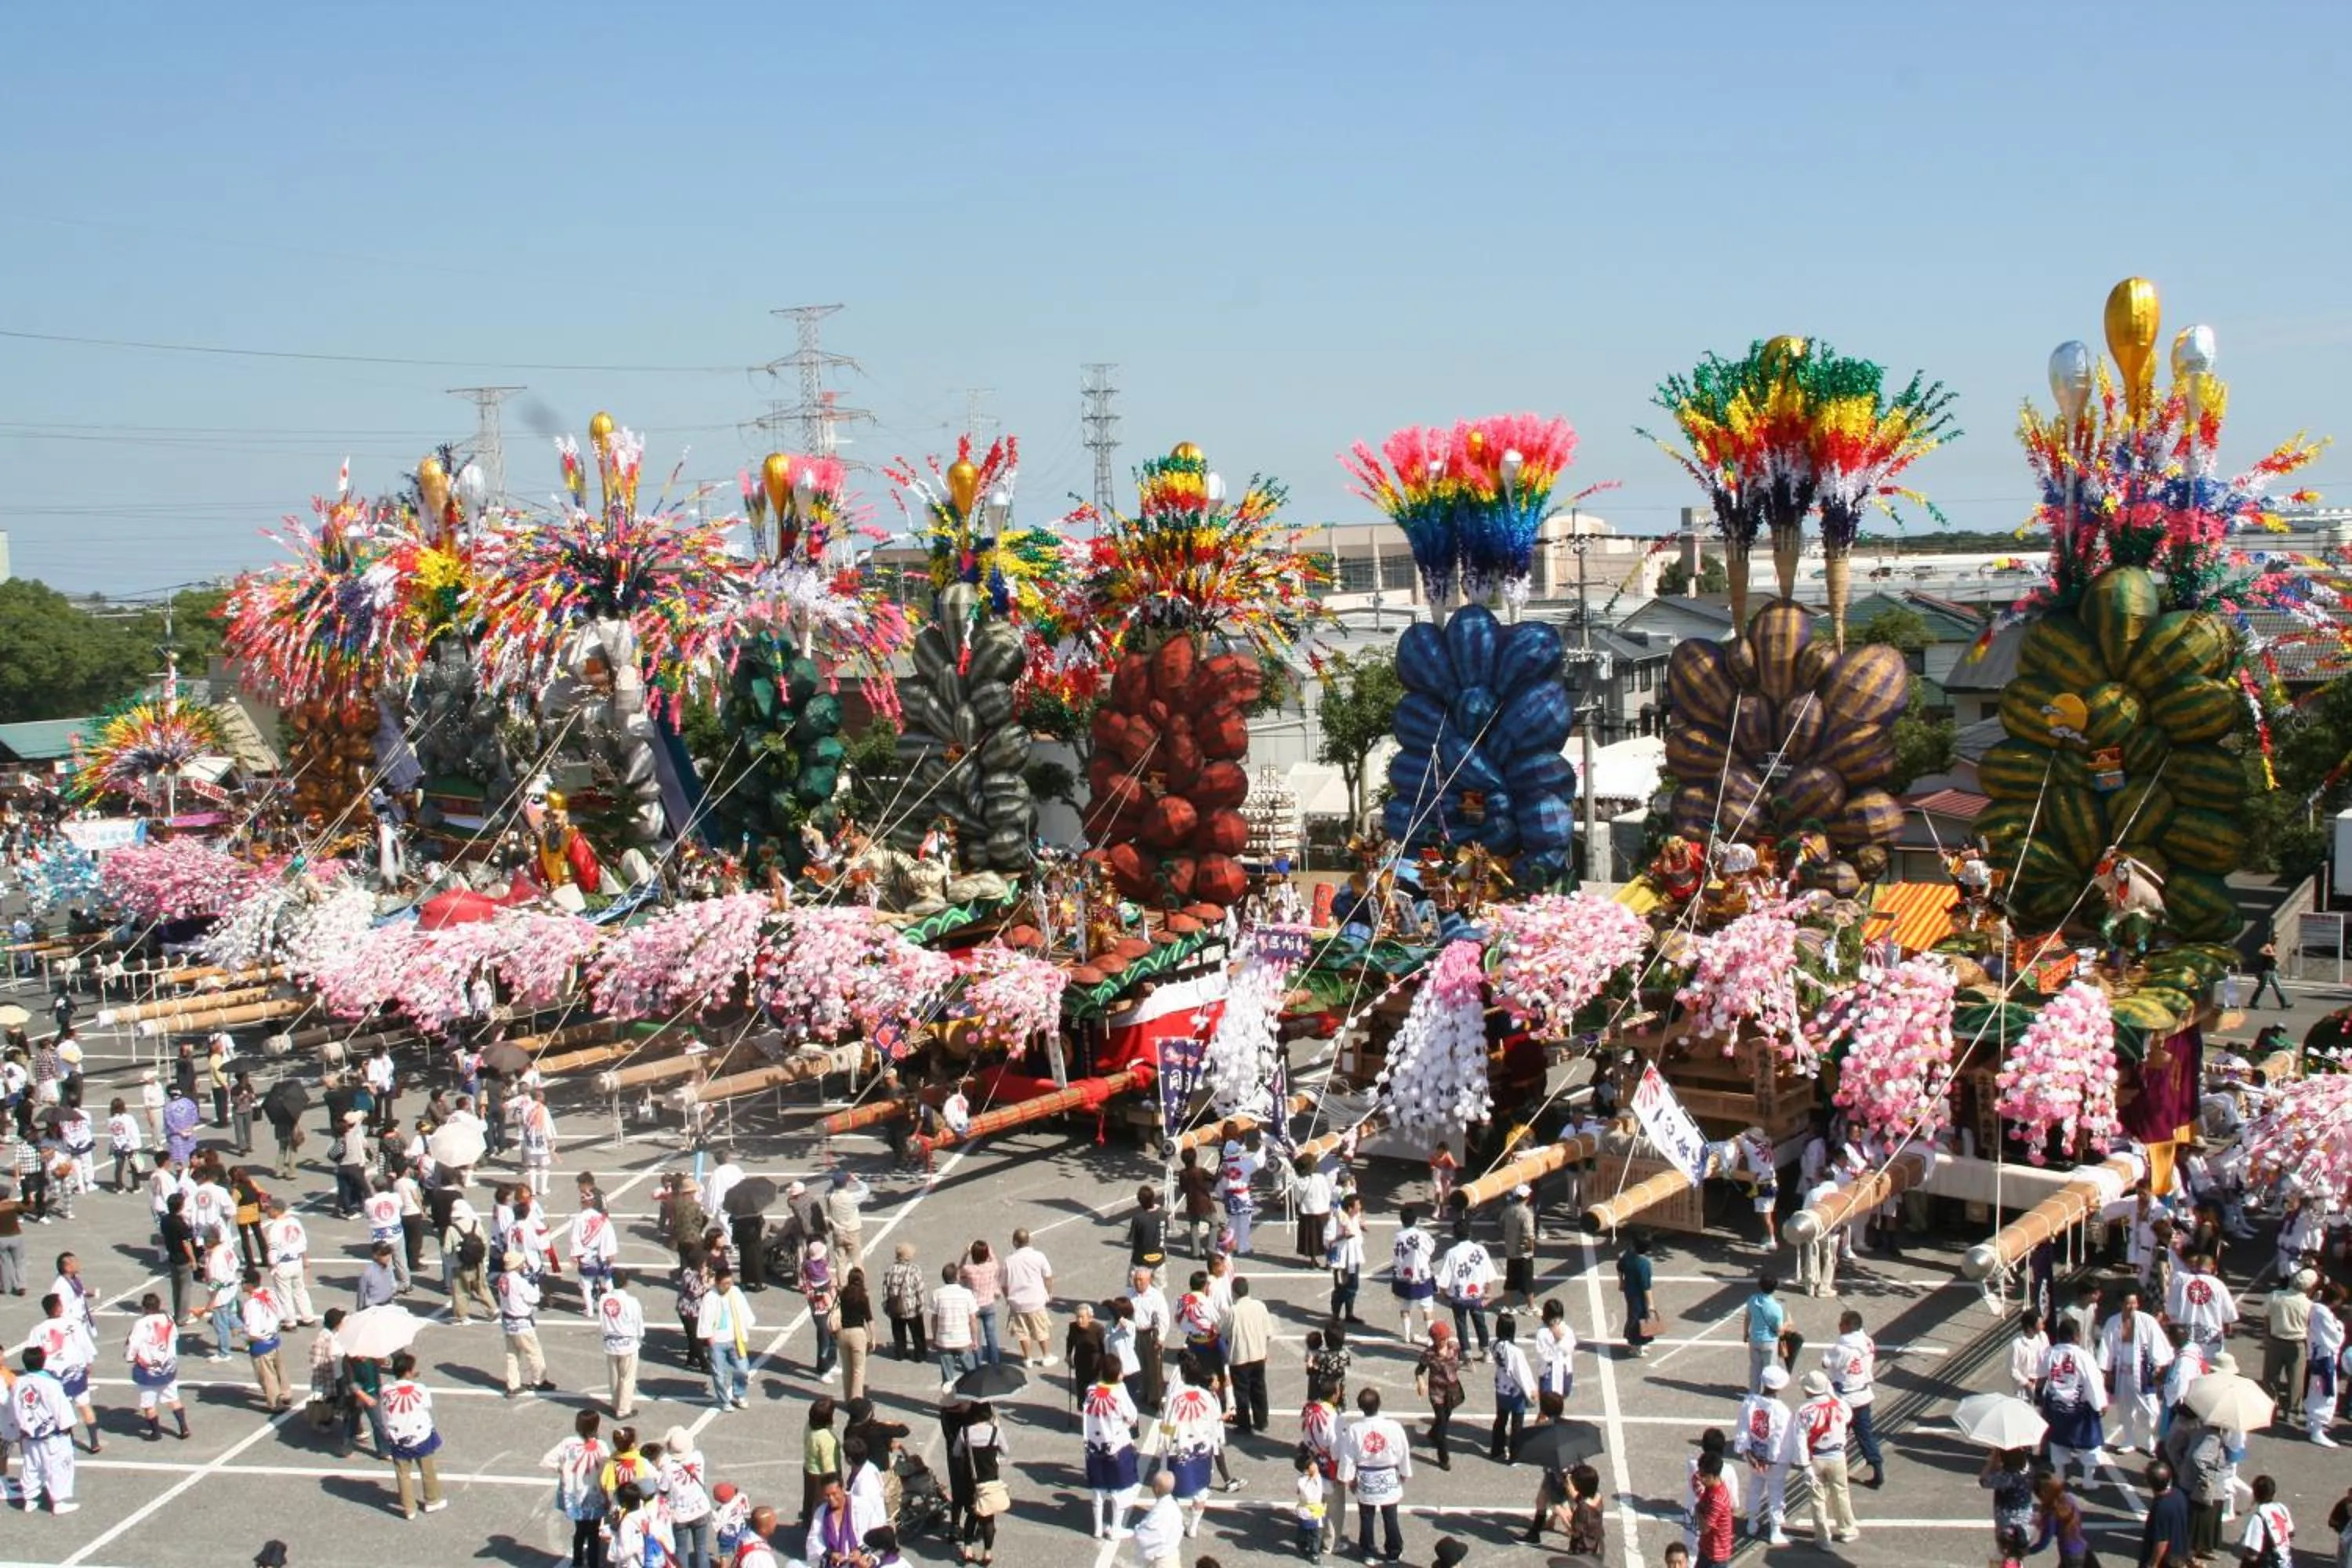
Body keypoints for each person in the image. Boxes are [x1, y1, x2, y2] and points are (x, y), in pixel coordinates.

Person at [2100, 1283, 2175, 1457]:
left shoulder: (2147, 1321)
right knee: (2125, 1409)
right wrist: (2107, 1372)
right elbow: (2106, 1348)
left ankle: (2150, 1441)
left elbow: (2157, 1344)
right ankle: (2128, 1440)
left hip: (2143, 1371)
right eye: (2128, 1303)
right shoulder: (2113, 1322)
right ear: (2121, 1304)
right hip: (2122, 1371)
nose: (2132, 1306)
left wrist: (2158, 1366)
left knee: (2152, 1409)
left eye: (2134, 1303)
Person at [1339, 1385, 1410, 1563]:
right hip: (1388, 1475)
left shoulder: (1355, 1429)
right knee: (1390, 1515)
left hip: (1366, 1476)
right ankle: (1394, 1551)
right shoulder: (1393, 1426)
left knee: (1367, 1516)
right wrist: (1404, 1471)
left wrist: (1348, 1478)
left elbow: (1348, 1456)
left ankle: (1368, 1551)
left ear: (1360, 1406)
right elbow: (1403, 1451)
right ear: (1379, 1404)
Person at [2040, 1319, 2110, 1487]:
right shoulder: (2083, 1356)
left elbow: (2042, 1376)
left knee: (2057, 1441)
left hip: (2057, 1406)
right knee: (2089, 1443)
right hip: (2081, 1408)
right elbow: (2093, 1381)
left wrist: (2043, 1401)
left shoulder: (2050, 1353)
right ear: (2076, 1336)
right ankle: (2088, 1480)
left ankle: (2059, 1475)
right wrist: (2100, 1403)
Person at [379, 1350, 448, 1519]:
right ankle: (432, 1500)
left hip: (398, 1436)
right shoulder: (421, 1389)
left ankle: (409, 1508)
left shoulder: (386, 1390)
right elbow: (427, 1405)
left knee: (403, 1473)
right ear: (409, 1371)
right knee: (427, 1468)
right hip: (420, 1435)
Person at [1794, 1369, 1858, 1544]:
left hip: (1815, 1458)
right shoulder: (1839, 1406)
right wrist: (1832, 1393)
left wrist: (1805, 1465)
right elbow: (1849, 1415)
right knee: (1841, 1493)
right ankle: (1848, 1530)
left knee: (1817, 1499)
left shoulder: (1804, 1410)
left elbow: (1799, 1439)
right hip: (1837, 1455)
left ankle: (1823, 1538)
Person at [13, 1345, 78, 1514]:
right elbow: (60, 1409)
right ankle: (58, 1502)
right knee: (58, 1467)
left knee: (31, 1466)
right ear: (43, 1361)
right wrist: (67, 1428)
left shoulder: (18, 1382)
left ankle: (30, 1498)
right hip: (51, 1435)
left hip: (28, 1433)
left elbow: (17, 1408)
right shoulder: (50, 1384)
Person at [544, 1410, 611, 1568]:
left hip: (574, 1495)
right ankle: (593, 1564)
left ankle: (577, 1561)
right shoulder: (601, 1446)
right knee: (594, 1532)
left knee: (580, 1530)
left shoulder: (568, 1443)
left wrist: (562, 1470)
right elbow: (607, 1469)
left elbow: (548, 1460)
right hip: (594, 1495)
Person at [1825, 1308, 1885, 1487]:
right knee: (1865, 1434)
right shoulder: (1868, 1342)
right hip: (1864, 1395)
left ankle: (1835, 1471)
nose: (1838, 1326)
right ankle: (1876, 1466)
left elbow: (1826, 1362)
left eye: (1841, 1323)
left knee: (1837, 1436)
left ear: (1846, 1326)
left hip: (1844, 1399)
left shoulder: (1841, 1348)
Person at [1737, 1363, 1795, 1544]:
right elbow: (1779, 1438)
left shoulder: (1750, 1402)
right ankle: (1775, 1529)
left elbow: (1743, 1429)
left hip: (1754, 1454)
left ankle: (1752, 1522)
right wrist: (1771, 1459)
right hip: (1773, 1461)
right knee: (1776, 1492)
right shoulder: (1781, 1410)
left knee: (1755, 1488)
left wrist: (1748, 1454)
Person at [1083, 1360, 1142, 1539]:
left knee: (1098, 1488)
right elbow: (1132, 1416)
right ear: (1118, 1375)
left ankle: (1098, 1528)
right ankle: (1116, 1528)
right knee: (1120, 1488)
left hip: (1093, 1445)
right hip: (1117, 1445)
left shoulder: (1091, 1390)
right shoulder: (1120, 1391)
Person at [125, 1292, 191, 1441]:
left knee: (148, 1403)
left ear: (144, 1307)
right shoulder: (168, 1319)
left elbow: (134, 1344)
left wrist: (129, 1358)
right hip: (167, 1366)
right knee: (173, 1398)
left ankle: (156, 1432)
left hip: (148, 1369)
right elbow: (174, 1337)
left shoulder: (141, 1323)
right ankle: (183, 1427)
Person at [953, 1400, 1010, 1563]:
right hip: (990, 1479)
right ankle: (987, 1553)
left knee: (972, 1514)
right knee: (988, 1518)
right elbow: (1006, 1451)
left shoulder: (965, 1432)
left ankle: (968, 1550)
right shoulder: (995, 1431)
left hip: (971, 1480)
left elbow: (956, 1452)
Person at [698, 1261, 754, 1410]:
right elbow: (705, 1318)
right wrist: (709, 1337)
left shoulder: (735, 1293)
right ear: (717, 1283)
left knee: (743, 1369)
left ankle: (739, 1394)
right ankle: (724, 1401)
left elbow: (744, 1311)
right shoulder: (710, 1297)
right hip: (717, 1342)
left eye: (730, 1282)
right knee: (719, 1374)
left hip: (735, 1339)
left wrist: (746, 1328)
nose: (728, 1286)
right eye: (725, 1284)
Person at [495, 1254, 554, 1397]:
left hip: (508, 1321)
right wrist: (534, 1285)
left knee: (512, 1354)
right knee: (534, 1352)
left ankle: (513, 1384)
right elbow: (533, 1298)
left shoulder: (503, 1279)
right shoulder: (518, 1282)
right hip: (521, 1322)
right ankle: (538, 1380)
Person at [1224, 1277, 1274, 1436]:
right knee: (1259, 1388)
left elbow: (1224, 1332)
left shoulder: (1233, 1311)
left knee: (1242, 1392)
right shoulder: (1260, 1306)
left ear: (1234, 1292)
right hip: (1258, 1354)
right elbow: (1268, 1332)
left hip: (1240, 1357)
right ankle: (1262, 1420)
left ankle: (1244, 1424)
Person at [660, 1425, 716, 1568]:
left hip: (679, 1514)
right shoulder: (698, 1458)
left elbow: (663, 1488)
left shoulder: (668, 1467)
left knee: (681, 1549)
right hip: (700, 1509)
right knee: (701, 1549)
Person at [2263, 1269, 2314, 1425]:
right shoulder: (2309, 1305)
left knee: (2271, 1378)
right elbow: (2310, 1326)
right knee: (2296, 1381)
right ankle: (2292, 1412)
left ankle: (2269, 1408)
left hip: (2275, 1340)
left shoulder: (2275, 1296)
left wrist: (2267, 1336)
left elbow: (2266, 1317)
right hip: (2297, 1344)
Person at [1412, 1319, 1464, 1471]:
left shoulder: (1454, 1349)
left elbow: (1460, 1362)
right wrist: (1421, 1382)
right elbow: (1419, 1370)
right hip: (1437, 1393)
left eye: (1445, 1338)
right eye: (1440, 1339)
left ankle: (1433, 1433)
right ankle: (1443, 1458)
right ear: (1434, 1340)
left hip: (1452, 1391)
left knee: (1445, 1417)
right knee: (1443, 1425)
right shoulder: (1429, 1354)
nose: (1444, 1341)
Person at [238, 1267, 292, 1410]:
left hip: (261, 1344)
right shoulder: (269, 1293)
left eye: (243, 1282)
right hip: (274, 1338)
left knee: (267, 1376)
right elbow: (282, 1314)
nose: (241, 1285)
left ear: (249, 1285)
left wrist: (240, 1333)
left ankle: (275, 1403)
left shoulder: (251, 1305)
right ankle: (285, 1393)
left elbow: (253, 1332)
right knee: (280, 1369)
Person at [1436, 1218, 1494, 1353]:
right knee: (1480, 1322)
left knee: (1461, 1324)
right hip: (1477, 1295)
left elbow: (1444, 1278)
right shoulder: (1480, 1250)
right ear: (1470, 1233)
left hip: (1458, 1297)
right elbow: (1489, 1274)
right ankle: (1486, 1350)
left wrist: (1443, 1294)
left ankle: (1466, 1352)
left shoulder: (1452, 1253)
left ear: (1454, 1234)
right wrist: (1488, 1292)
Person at [1004, 1228, 1058, 1369]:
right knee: (1041, 1329)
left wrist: (1008, 1298)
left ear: (1015, 1242)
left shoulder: (1009, 1261)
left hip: (1017, 1302)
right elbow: (1048, 1276)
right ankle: (1046, 1356)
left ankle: (1028, 1358)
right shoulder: (1039, 1256)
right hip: (1036, 1300)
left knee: (1022, 1333)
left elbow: (1004, 1284)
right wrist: (1049, 1292)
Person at [597, 1267, 644, 1419]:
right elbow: (638, 1323)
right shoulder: (632, 1302)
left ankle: (615, 1403)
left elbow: (602, 1321)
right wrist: (640, 1337)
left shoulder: (604, 1299)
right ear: (627, 1283)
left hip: (611, 1342)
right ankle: (623, 1409)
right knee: (627, 1377)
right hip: (628, 1343)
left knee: (614, 1376)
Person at [1490, 1312, 1534, 1463]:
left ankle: (1496, 1450)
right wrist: (1531, 1392)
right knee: (1517, 1425)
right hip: (1515, 1393)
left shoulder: (1494, 1345)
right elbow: (1522, 1374)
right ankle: (1514, 1456)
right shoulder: (1515, 1352)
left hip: (1501, 1389)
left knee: (1500, 1420)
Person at [1390, 1206, 1438, 1345]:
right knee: (1427, 1309)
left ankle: (1406, 1335)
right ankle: (1430, 1338)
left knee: (1405, 1308)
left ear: (1402, 1220)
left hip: (1405, 1274)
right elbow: (1431, 1249)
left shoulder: (1398, 1237)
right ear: (1415, 1220)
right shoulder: (1423, 1235)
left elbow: (1396, 1257)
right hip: (1422, 1274)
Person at [931, 1259, 981, 1392]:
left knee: (947, 1378)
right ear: (957, 1277)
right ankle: (970, 1401)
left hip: (944, 1340)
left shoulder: (937, 1294)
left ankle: (949, 1402)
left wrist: (935, 1337)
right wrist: (975, 1339)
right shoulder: (966, 1294)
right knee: (971, 1374)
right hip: (963, 1339)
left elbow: (934, 1319)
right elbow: (972, 1319)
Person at [2307, 1279, 2345, 1446]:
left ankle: (2312, 1424)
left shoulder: (2316, 1308)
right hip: (2324, 1356)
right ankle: (2317, 1429)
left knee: (2316, 1389)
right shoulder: (2322, 1312)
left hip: (2318, 1354)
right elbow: (2336, 1336)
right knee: (2326, 1392)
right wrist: (2340, 1326)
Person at [1980, 1446, 2036, 1558]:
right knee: (2019, 1548)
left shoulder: (2006, 1477)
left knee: (2007, 1550)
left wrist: (1993, 1459)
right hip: (2025, 1515)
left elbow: (1984, 1481)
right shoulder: (2028, 1470)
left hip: (2007, 1518)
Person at [2030, 1470, 2092, 1568]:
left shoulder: (2051, 1514)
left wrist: (2025, 1551)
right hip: (2083, 1548)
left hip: (2069, 1556)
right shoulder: (2069, 1499)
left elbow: (2043, 1544)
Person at [962, 1240, 1006, 1368]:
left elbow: (959, 1270)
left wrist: (965, 1254)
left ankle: (977, 1363)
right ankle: (995, 1361)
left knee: (976, 1337)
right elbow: (994, 1260)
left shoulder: (969, 1269)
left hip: (974, 1307)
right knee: (991, 1334)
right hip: (989, 1304)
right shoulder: (992, 1267)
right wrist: (988, 1247)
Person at [1691, 1450, 1737, 1568]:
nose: (1701, 1478)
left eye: (1704, 1476)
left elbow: (1705, 1528)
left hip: (1715, 1557)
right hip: (1707, 1550)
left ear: (1714, 1475)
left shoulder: (1717, 1500)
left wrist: (1697, 1510)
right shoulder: (1713, 1486)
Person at [2142, 1461, 2190, 1568]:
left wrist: (2153, 1564)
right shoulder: (2178, 1494)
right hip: (2179, 1554)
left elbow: (2162, 1541)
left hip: (2166, 1560)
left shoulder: (2161, 1507)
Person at [1744, 1274, 1787, 1394]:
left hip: (1755, 1338)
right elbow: (1780, 1330)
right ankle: (1769, 1394)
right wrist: (1787, 1326)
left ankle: (1753, 1394)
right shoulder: (1777, 1307)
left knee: (1755, 1369)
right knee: (1770, 1370)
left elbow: (1748, 1318)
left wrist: (1745, 1334)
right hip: (1769, 1341)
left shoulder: (1752, 1300)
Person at [1327, 1193, 1367, 1324]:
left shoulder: (1354, 1218)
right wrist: (1343, 1236)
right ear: (1350, 1208)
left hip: (1353, 1257)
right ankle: (1336, 1313)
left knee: (1353, 1285)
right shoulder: (1336, 1219)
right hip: (1341, 1259)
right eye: (1358, 1205)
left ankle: (1349, 1313)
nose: (1360, 1207)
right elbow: (1328, 1239)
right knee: (1342, 1287)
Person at [1131, 1472, 1184, 1568]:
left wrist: (1137, 1529)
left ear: (1156, 1488)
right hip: (1173, 1556)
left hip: (1161, 1562)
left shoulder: (1159, 1513)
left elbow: (1147, 1536)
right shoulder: (1174, 1506)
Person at [1219, 1134, 1260, 1257]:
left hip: (1230, 1197)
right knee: (1244, 1223)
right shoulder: (1245, 1164)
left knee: (1232, 1223)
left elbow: (1220, 1185)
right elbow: (1258, 1162)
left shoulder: (1224, 1167)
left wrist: (1222, 1196)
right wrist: (1263, 1147)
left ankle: (1231, 1244)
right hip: (1243, 1196)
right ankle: (1243, 1247)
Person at [2238, 1475, 2292, 1568]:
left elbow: (2252, 1554)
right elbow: (2291, 1533)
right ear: (2274, 1493)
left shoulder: (2258, 1517)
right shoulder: (2282, 1509)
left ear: (2254, 1495)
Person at [1500, 1185, 1539, 1311]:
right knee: (1528, 1281)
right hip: (1523, 1253)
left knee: (1510, 1280)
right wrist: (1531, 1248)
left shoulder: (1508, 1210)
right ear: (1527, 1197)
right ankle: (1531, 1307)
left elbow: (1501, 1222)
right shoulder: (1526, 1213)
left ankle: (1508, 1306)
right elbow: (1529, 1234)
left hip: (1511, 1251)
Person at [1618, 1232, 1656, 1358]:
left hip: (1630, 1292)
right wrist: (1651, 1303)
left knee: (1634, 1316)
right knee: (1640, 1319)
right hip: (1639, 1296)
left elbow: (1619, 1267)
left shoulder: (1628, 1255)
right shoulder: (1644, 1264)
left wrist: (1621, 1281)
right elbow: (1646, 1286)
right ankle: (1636, 1346)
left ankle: (1639, 1344)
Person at [1290, 1153, 1334, 1261]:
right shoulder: (1321, 1178)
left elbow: (1297, 1198)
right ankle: (1328, 1262)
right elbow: (1328, 1192)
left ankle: (1313, 1260)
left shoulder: (1299, 1183)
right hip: (1323, 1212)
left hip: (1307, 1214)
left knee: (1310, 1239)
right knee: (1327, 1237)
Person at [1294, 1446, 1329, 1562]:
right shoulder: (1305, 1481)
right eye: (1313, 1464)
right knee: (1315, 1533)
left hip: (1307, 1510)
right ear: (1307, 1469)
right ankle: (1313, 1553)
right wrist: (1314, 1477)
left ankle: (1303, 1545)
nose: (1316, 1465)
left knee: (1306, 1530)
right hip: (1312, 1511)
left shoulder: (1309, 1477)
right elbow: (1309, 1495)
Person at [1127, 1185, 1167, 1272]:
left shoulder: (1138, 1218)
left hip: (1141, 1261)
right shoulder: (1163, 1214)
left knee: (1134, 1285)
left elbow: (1133, 1239)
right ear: (1153, 1198)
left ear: (1140, 1202)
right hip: (1159, 1259)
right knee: (1159, 1285)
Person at [2251, 939, 2286, 1008]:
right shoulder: (2267, 945)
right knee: (2262, 987)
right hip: (2266, 970)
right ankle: (2253, 1002)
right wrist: (2270, 954)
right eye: (2275, 938)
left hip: (2272, 970)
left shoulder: (2273, 947)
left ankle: (2284, 1003)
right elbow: (2260, 952)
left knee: (2278, 987)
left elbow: (2273, 959)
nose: (2276, 940)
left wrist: (2276, 965)